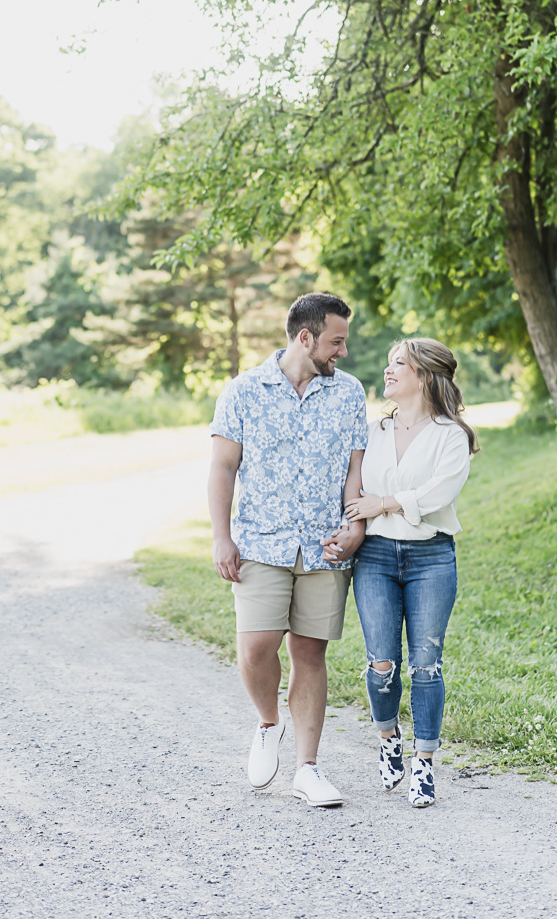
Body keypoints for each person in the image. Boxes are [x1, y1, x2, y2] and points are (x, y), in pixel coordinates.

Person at [208, 292, 369, 807]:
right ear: (306, 338)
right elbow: (223, 468)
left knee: (309, 652)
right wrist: (220, 535)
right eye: (336, 341)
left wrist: (354, 526)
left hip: (324, 547)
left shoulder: (349, 395)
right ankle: (267, 723)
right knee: (257, 647)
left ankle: (308, 768)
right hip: (260, 541)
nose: (342, 351)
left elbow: (353, 473)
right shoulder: (242, 392)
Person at [344, 337, 476, 808]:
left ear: (422, 375)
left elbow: (440, 492)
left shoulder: (450, 434)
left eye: (398, 363)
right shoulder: (373, 430)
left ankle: (424, 766)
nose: (388, 371)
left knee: (426, 665)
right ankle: (387, 741)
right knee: (382, 663)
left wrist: (385, 503)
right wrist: (356, 520)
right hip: (376, 557)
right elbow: (352, 486)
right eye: (388, 363)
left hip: (431, 559)